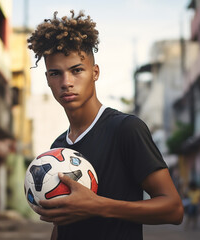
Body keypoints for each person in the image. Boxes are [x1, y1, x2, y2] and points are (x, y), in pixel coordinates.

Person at [27, 10, 184, 240]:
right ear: (48, 79)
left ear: (95, 72)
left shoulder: (126, 129)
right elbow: (61, 225)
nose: (66, 82)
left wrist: (97, 206)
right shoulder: (58, 150)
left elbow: (173, 209)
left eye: (77, 70)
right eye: (55, 74)